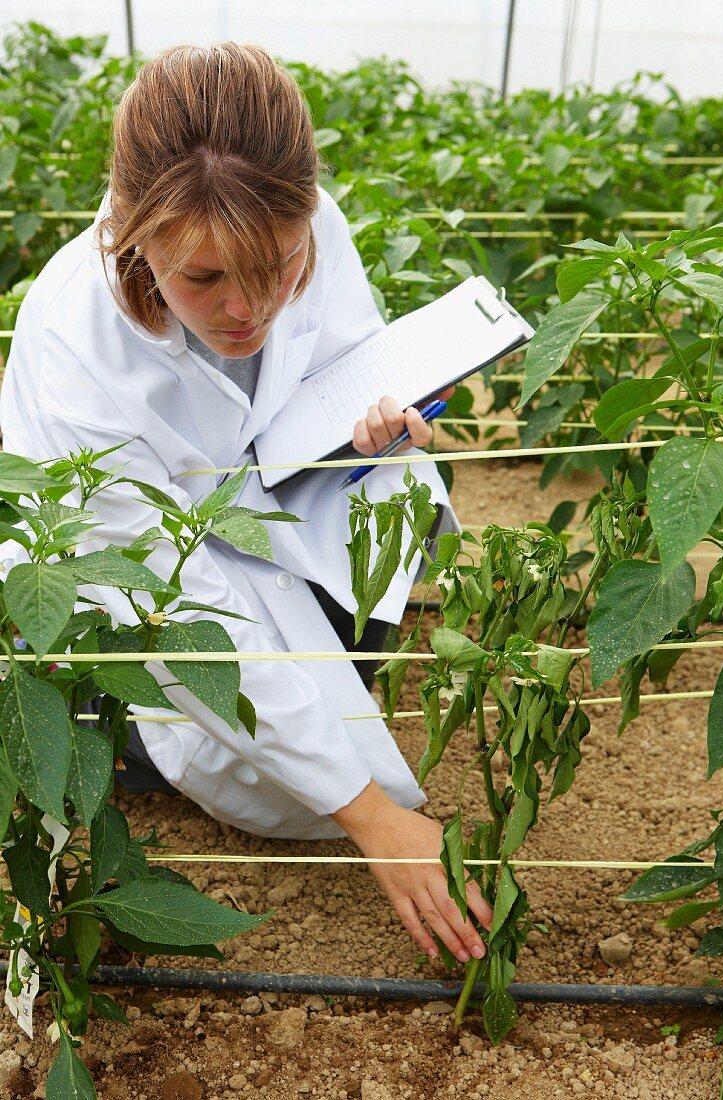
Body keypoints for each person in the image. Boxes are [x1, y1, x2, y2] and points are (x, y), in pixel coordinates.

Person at [1, 43, 491, 965]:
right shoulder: (76, 348)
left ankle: (310, 708)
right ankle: (127, 747)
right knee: (176, 708)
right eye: (204, 279)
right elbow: (184, 616)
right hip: (142, 582)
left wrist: (380, 422)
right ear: (132, 239)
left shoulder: (309, 222)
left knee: (385, 521)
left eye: (278, 263)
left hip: (264, 495)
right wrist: (371, 817)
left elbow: (346, 354)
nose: (248, 307)